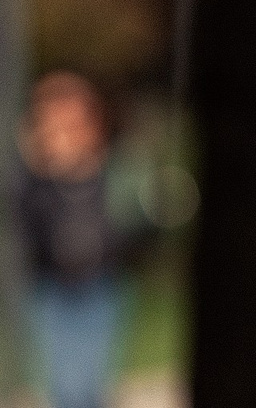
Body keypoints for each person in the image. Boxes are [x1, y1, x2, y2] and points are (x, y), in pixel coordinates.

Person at [12, 72, 138, 408]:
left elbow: (128, 224)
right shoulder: (33, 182)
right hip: (51, 288)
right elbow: (26, 224)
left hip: (100, 284)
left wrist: (82, 170)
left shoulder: (111, 170)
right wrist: (45, 171)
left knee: (91, 385)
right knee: (64, 386)